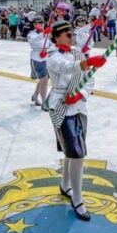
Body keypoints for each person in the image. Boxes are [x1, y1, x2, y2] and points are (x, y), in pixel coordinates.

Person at [45, 20, 107, 221]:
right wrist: (88, 62)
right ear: (57, 37)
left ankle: (65, 186)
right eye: (68, 35)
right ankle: (78, 199)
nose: (72, 38)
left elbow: (90, 80)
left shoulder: (79, 55)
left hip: (79, 106)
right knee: (77, 154)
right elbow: (68, 68)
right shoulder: (52, 57)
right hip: (61, 106)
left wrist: (80, 93)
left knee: (73, 151)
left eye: (72, 34)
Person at [27, 16, 51, 108]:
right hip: (37, 58)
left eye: (43, 23)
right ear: (34, 24)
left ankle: (35, 96)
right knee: (43, 80)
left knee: (44, 80)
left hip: (46, 57)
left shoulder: (46, 34)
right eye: (39, 23)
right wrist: (44, 34)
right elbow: (34, 40)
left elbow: (51, 44)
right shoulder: (31, 34)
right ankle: (44, 103)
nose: (42, 24)